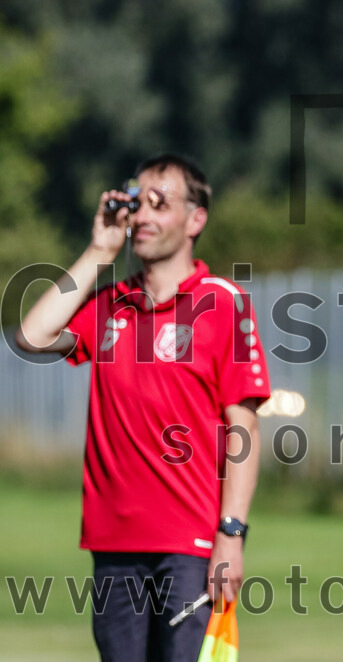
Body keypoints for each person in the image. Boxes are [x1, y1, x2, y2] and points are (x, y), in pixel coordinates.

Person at [16, 154, 270, 662]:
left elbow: (243, 431)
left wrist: (232, 533)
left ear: (196, 218)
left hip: (191, 545)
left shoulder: (223, 302)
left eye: (160, 203)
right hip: (112, 544)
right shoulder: (110, 304)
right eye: (137, 204)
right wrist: (98, 249)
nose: (144, 217)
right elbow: (32, 335)